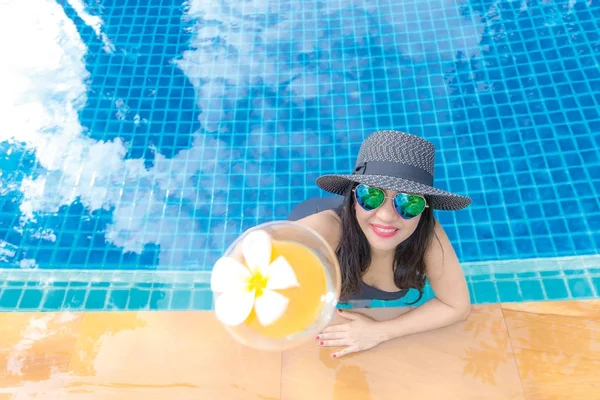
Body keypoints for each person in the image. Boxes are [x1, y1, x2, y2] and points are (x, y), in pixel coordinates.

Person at [287, 130, 472, 359]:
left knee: (351, 295)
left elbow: (457, 306)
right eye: (371, 195)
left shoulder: (426, 234)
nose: (385, 216)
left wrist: (379, 332)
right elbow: (270, 249)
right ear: (354, 196)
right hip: (320, 216)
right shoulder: (329, 226)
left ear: (424, 209)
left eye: (408, 201)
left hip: (353, 267)